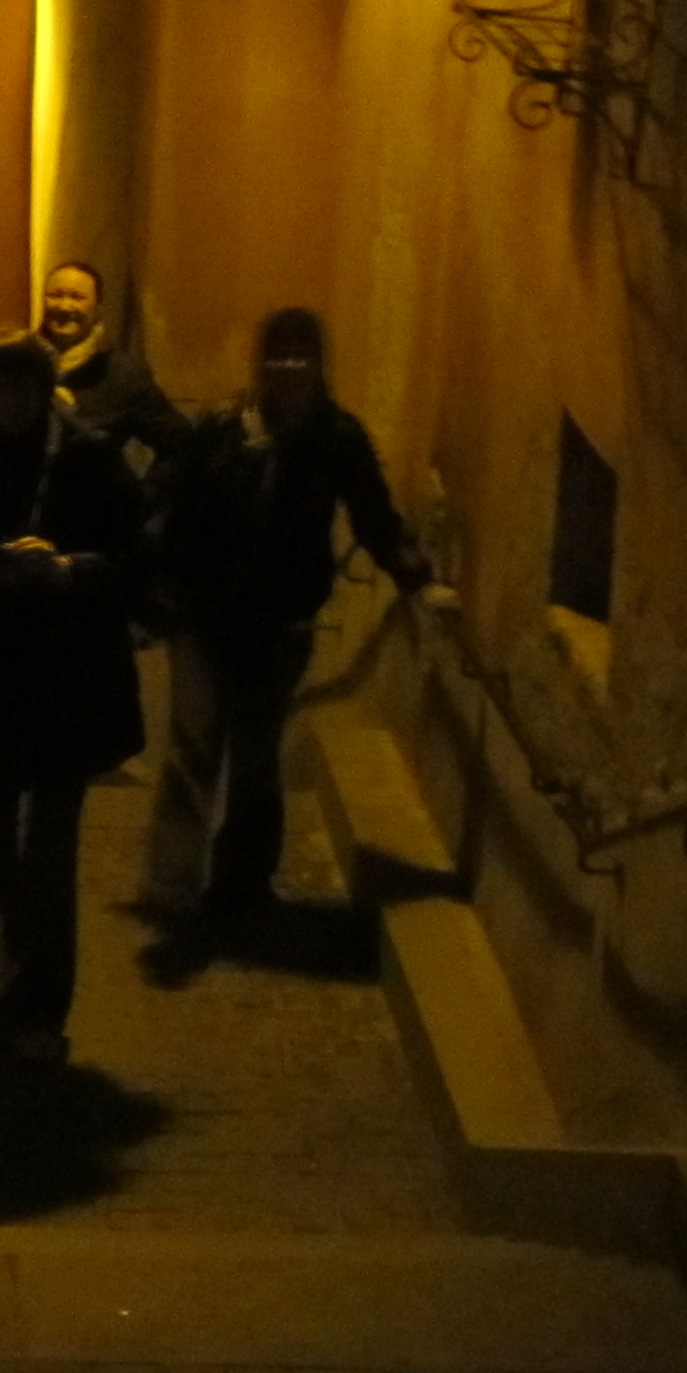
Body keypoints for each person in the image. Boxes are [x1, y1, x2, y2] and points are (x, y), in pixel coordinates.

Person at [141, 306, 440, 927]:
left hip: (279, 626)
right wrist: (158, 593)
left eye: (301, 354)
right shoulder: (221, 427)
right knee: (192, 748)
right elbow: (180, 512)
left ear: (318, 363)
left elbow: (373, 517)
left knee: (254, 757)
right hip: (203, 617)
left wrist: (414, 576)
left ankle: (241, 885)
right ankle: (172, 883)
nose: (288, 366)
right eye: (278, 353)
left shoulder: (339, 437)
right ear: (262, 360)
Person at [0, 333, 148, 1062]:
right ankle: (30, 961)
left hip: (73, 683)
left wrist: (66, 571)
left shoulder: (91, 461)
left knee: (51, 851)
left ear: (41, 392)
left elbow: (139, 565)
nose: (3, 407)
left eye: (17, 392)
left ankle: (43, 1011)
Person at [0, 259, 183, 478]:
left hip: (82, 525)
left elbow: (180, 442)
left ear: (98, 310)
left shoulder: (121, 374)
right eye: (55, 295)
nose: (64, 306)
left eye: (77, 297)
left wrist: (144, 505)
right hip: (12, 521)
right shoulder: (12, 357)